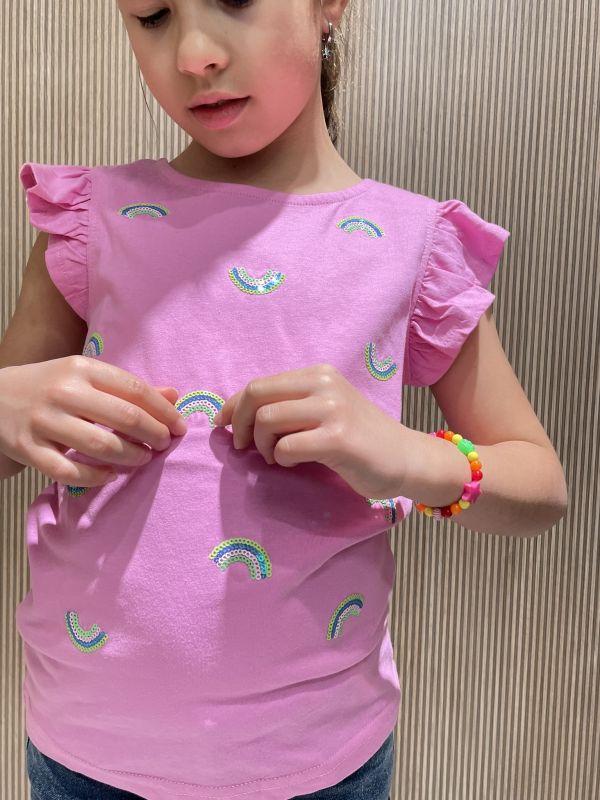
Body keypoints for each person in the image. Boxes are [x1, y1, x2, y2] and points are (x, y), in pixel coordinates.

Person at [0, 1, 569, 798]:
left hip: (319, 762)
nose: (194, 54)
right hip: (83, 754)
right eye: (152, 15)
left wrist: (410, 458)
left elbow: (540, 487)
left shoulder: (413, 246)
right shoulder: (92, 221)